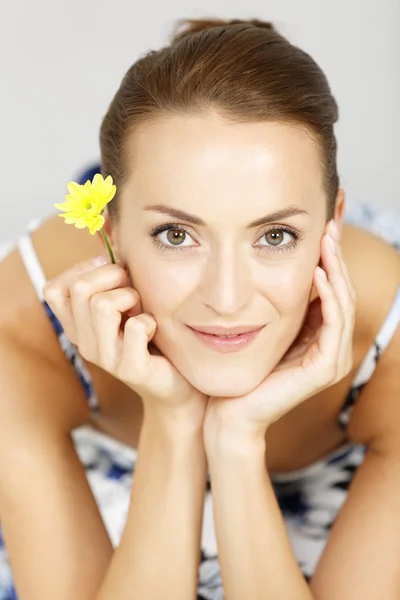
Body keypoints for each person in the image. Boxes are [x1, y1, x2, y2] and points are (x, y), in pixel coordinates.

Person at [0, 17, 399, 600]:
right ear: (110, 229)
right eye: (177, 235)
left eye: (276, 236)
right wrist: (172, 420)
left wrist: (236, 441)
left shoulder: (389, 351)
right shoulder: (20, 331)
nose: (228, 298)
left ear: (332, 224)